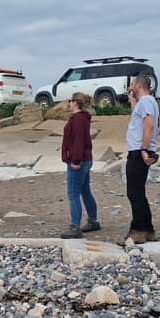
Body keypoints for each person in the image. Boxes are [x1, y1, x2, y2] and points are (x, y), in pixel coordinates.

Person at [124, 72, 159, 245]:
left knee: (134, 192)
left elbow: (149, 125)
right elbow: (137, 120)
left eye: (132, 84)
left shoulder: (146, 102)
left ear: (138, 84)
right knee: (138, 191)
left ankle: (138, 230)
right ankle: (148, 229)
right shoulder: (145, 103)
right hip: (138, 150)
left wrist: (144, 149)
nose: (130, 87)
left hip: (139, 152)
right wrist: (132, 101)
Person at [60, 93, 100, 239]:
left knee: (73, 193)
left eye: (70, 101)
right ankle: (93, 221)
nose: (69, 103)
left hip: (79, 161)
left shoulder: (78, 120)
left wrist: (75, 160)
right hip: (86, 159)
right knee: (85, 191)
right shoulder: (82, 118)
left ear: (76, 102)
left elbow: (78, 141)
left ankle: (75, 227)